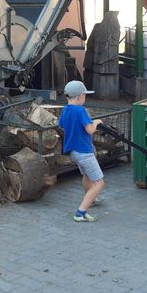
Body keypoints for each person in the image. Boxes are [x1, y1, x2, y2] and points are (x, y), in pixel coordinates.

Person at [58, 80, 103, 222]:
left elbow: (61, 125)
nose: (85, 97)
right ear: (79, 97)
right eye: (84, 95)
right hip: (84, 152)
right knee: (99, 183)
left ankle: (91, 199)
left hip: (74, 152)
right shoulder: (80, 110)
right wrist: (95, 122)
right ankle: (81, 212)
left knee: (87, 176)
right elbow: (90, 129)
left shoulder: (65, 110)